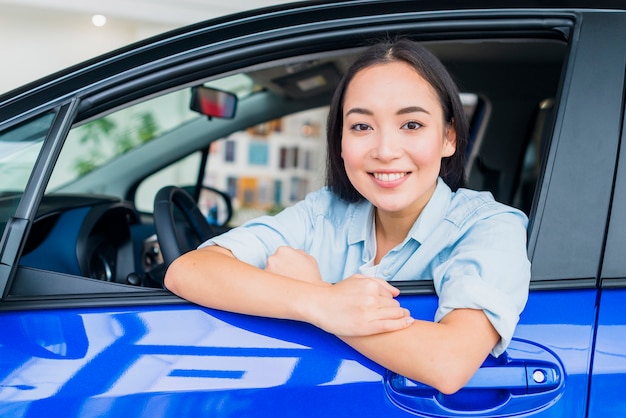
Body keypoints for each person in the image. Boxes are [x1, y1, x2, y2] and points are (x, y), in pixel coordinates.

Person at [164, 38, 531, 395]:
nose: (385, 151)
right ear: (340, 141)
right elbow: (188, 271)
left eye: (412, 125)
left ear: (448, 137)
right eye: (361, 126)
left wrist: (325, 295)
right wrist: (319, 303)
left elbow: (448, 363)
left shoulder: (491, 226)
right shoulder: (325, 211)